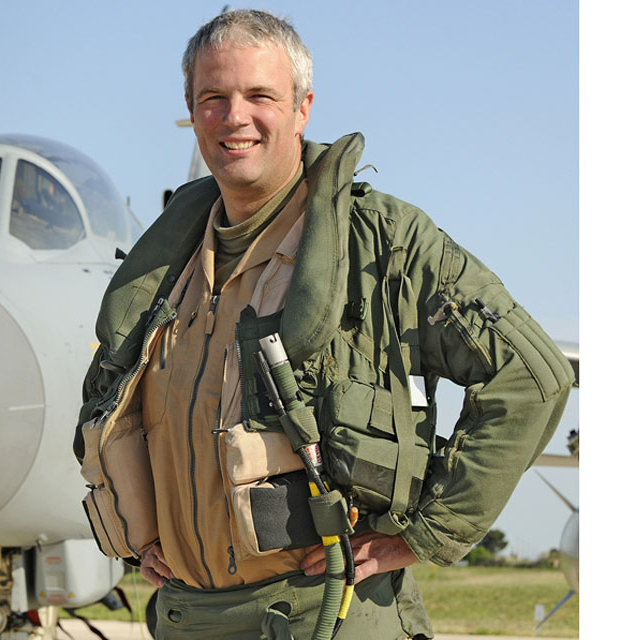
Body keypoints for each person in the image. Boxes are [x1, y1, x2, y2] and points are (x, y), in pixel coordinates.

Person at [74, 9, 572, 639]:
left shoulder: (383, 244)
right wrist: (140, 539)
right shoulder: (164, 270)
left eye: (261, 96)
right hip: (188, 617)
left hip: (324, 615)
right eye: (213, 98)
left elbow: (531, 375)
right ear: (191, 110)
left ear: (303, 107)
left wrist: (426, 536)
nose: (235, 118)